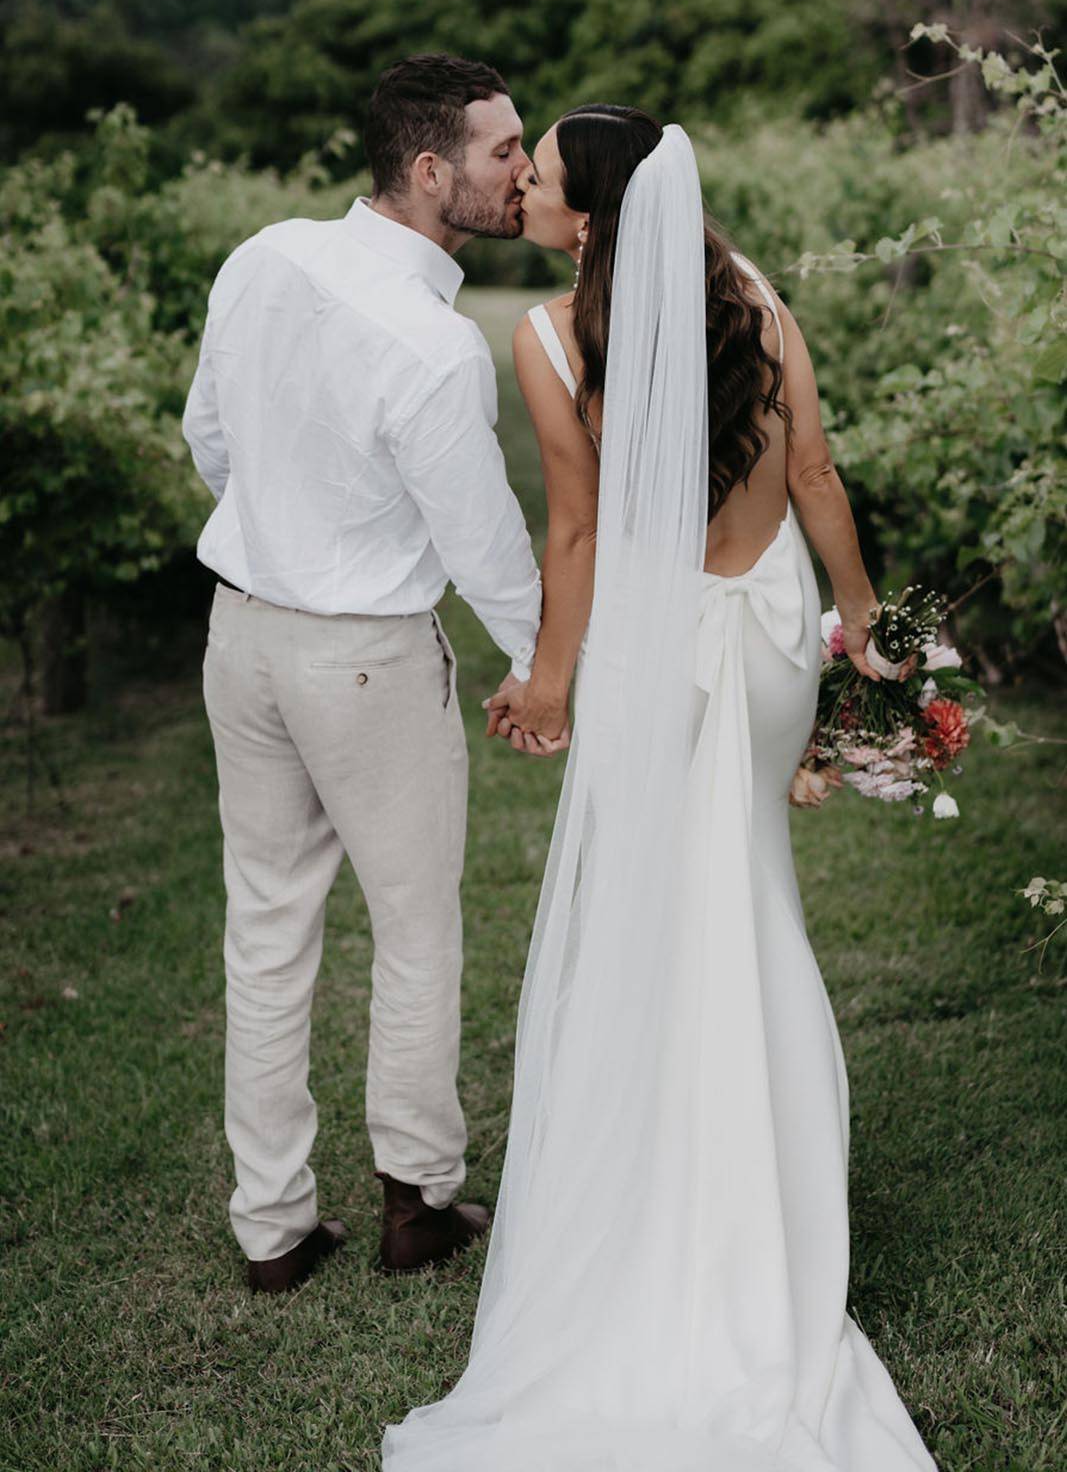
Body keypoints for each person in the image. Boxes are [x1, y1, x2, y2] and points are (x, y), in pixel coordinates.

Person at [383, 110, 938, 1469]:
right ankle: (760, 1208)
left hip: (647, 646)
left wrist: (552, 676)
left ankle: (650, 1206)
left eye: (546, 177)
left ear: (591, 213)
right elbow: (809, 470)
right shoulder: (747, 295)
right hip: (759, 638)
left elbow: (573, 528)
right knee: (744, 902)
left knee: (644, 920)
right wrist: (861, 624)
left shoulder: (550, 336)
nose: (523, 188)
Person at [182, 54, 546, 1293]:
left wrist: (284, 535)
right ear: (430, 167)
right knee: (413, 931)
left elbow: (207, 438)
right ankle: (415, 1204)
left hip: (242, 636)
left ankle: (271, 1228)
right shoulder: (434, 348)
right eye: (505, 151)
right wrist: (546, 672)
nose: (526, 170)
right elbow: (486, 548)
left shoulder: (262, 256)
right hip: (364, 665)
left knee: (266, 932)